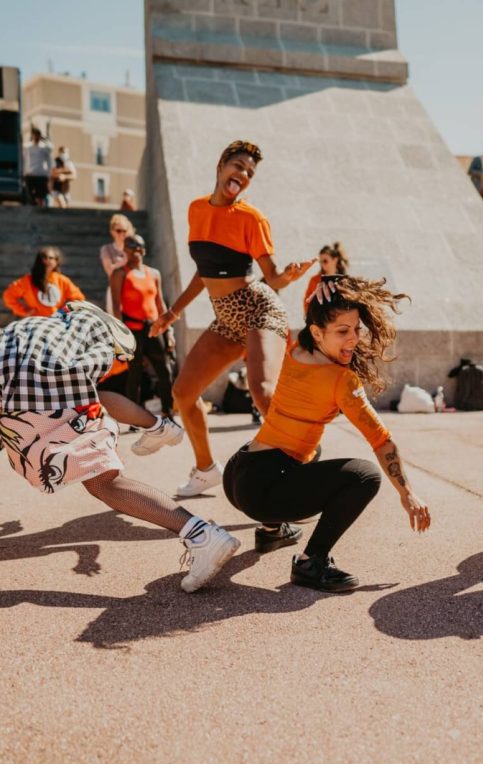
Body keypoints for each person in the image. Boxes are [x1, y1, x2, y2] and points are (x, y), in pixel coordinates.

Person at [0, 301, 237, 593]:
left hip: (28, 395)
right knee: (102, 472)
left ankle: (201, 535)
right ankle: (159, 428)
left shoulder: (26, 327)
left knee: (104, 483)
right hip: (44, 393)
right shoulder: (64, 338)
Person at [223, 276, 431, 592]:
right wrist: (407, 493)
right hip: (262, 492)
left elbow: (316, 313)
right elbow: (380, 440)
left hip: (239, 472)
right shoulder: (340, 380)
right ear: (318, 332)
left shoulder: (297, 349)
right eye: (342, 332)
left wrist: (331, 283)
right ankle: (311, 562)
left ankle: (271, 530)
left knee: (312, 449)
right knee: (364, 476)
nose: (353, 339)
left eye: (356, 329)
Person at [149, 140, 315, 497]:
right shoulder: (196, 210)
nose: (243, 174)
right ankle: (206, 469)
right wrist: (172, 312)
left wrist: (288, 276)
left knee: (262, 391)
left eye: (250, 172)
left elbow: (271, 276)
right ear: (222, 164)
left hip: (259, 308)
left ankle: (306, 465)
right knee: (183, 392)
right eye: (238, 165)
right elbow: (203, 271)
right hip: (226, 319)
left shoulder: (252, 218)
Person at [110, 234, 176, 418]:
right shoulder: (120, 273)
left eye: (139, 247)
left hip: (154, 329)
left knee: (165, 369)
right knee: (134, 374)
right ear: (125, 251)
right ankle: (133, 416)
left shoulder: (153, 273)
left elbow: (160, 303)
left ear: (144, 250)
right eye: (131, 248)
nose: (136, 251)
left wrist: (169, 330)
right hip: (132, 329)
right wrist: (120, 333)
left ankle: (167, 411)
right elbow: (116, 305)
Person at [3, 248, 85, 318]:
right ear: (39, 260)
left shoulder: (62, 280)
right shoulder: (27, 280)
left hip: (57, 321)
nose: (47, 261)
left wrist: (64, 312)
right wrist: (23, 311)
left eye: (51, 258)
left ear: (57, 261)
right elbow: (8, 296)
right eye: (44, 258)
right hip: (35, 321)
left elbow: (78, 298)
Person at [100, 214, 135, 314]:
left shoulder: (133, 248)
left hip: (133, 289)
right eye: (118, 231)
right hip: (115, 291)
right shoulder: (106, 249)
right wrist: (125, 260)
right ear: (112, 231)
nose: (122, 234)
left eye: (124, 231)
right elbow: (110, 271)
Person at [303, 242, 350, 312]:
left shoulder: (344, 280)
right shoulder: (315, 280)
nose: (322, 265)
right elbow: (307, 304)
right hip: (319, 320)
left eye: (325, 261)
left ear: (335, 259)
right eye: (321, 262)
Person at [23, 127, 52, 207]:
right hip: (30, 174)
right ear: (32, 136)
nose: (36, 137)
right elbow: (24, 160)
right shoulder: (27, 147)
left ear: (39, 136)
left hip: (41, 175)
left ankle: (40, 209)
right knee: (29, 195)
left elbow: (49, 161)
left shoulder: (45, 148)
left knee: (41, 195)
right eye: (34, 135)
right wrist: (23, 173)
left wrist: (48, 175)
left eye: (37, 135)